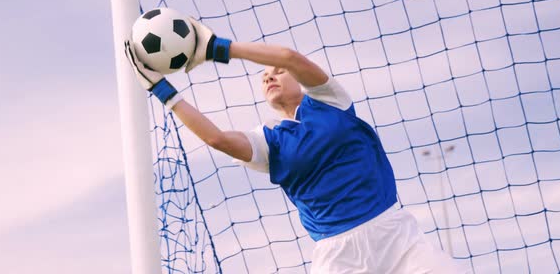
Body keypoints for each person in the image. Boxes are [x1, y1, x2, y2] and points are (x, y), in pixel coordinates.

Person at [124, 17, 469, 273]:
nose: (270, 76)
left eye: (276, 72)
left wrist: (217, 48)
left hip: (396, 236)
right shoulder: (270, 144)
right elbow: (217, 139)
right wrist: (162, 90)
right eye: (264, 77)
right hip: (337, 257)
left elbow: (289, 56)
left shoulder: (330, 100)